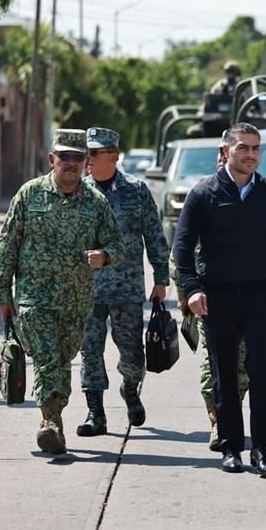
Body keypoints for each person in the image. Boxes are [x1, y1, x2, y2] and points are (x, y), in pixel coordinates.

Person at [173, 122, 266, 477]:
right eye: (243, 148)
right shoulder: (203, 194)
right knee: (223, 373)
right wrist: (192, 289)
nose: (251, 155)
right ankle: (231, 447)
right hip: (217, 295)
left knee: (261, 370)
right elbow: (182, 248)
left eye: (256, 148)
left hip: (259, 295)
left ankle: (261, 449)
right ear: (226, 151)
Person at [0, 129, 125, 455]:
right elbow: (7, 245)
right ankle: (49, 422)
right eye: (64, 157)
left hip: (76, 301)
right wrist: (3, 295)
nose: (70, 163)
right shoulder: (30, 195)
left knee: (63, 359)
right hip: (34, 299)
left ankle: (55, 418)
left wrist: (103, 256)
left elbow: (117, 246)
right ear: (52, 159)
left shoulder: (96, 203)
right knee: (48, 359)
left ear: (85, 163)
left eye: (77, 158)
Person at [76, 127, 170, 438]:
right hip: (87, 289)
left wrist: (161, 278)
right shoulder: (77, 191)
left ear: (114, 156)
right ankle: (95, 412)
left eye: (94, 153)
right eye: (86, 153)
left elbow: (154, 235)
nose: (87, 159)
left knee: (131, 352)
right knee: (89, 351)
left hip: (126, 287)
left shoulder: (136, 190)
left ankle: (130, 389)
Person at [170, 133, 250, 452]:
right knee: (212, 362)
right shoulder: (202, 194)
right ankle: (218, 421)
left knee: (241, 364)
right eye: (223, 150)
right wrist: (185, 291)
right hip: (209, 297)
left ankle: (231, 413)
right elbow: (182, 248)